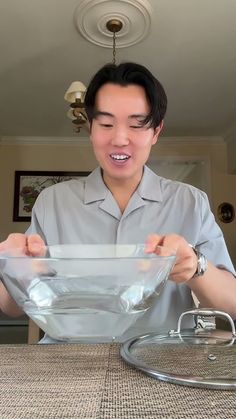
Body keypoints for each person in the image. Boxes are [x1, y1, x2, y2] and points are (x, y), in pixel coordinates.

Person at [0, 62, 235, 342]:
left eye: (136, 125)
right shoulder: (53, 202)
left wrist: (195, 266)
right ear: (90, 127)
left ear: (156, 132)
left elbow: (231, 306)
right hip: (66, 360)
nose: (120, 139)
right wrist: (11, 267)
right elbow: (12, 306)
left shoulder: (190, 202)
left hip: (159, 359)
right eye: (107, 124)